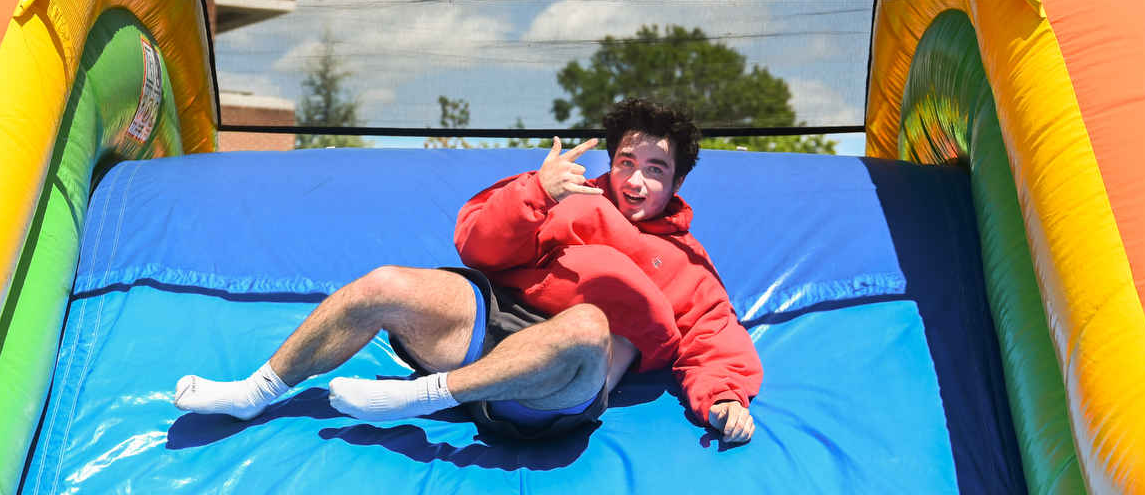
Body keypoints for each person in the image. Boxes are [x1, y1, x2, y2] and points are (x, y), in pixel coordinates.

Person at [173, 97, 761, 443]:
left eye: (655, 169)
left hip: (556, 383)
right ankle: (256, 390)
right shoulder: (569, 194)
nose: (635, 180)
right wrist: (538, 192)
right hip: (493, 324)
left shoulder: (688, 265)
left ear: (677, 182)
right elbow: (477, 246)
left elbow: (715, 337)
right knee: (384, 283)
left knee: (587, 325)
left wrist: (727, 399)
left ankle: (423, 398)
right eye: (627, 161)